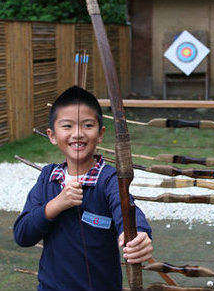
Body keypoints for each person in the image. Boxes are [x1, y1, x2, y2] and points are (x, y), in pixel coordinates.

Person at [14, 86, 152, 291]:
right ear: (52, 135)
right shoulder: (48, 179)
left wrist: (139, 233)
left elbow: (127, 210)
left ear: (100, 134)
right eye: (67, 126)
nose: (77, 133)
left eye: (87, 125)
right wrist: (55, 205)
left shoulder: (109, 179)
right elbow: (23, 235)